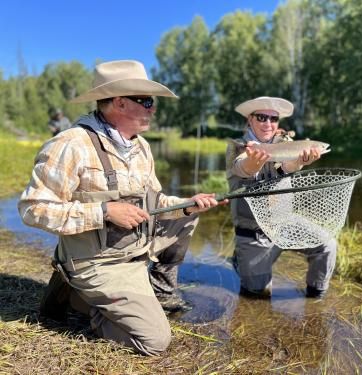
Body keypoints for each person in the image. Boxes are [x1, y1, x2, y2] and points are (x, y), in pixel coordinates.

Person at [18, 60, 226, 356]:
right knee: (155, 342)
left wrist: (188, 205)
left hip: (133, 251)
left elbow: (157, 203)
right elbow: (32, 208)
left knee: (186, 219)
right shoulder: (71, 144)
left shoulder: (141, 147)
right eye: (147, 101)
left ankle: (159, 292)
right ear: (119, 103)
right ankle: (84, 305)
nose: (154, 109)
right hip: (96, 262)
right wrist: (104, 211)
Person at [225, 96, 337, 299]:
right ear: (249, 119)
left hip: (284, 224)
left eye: (273, 119)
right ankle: (240, 259)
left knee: (327, 245)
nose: (268, 123)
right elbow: (242, 168)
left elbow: (285, 167)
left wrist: (298, 163)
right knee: (256, 292)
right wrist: (254, 163)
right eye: (261, 117)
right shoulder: (240, 147)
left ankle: (316, 295)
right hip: (254, 234)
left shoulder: (286, 144)